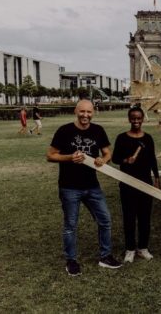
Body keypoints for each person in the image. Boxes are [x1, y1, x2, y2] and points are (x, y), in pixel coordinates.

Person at [46, 99, 121, 276]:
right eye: (82, 112)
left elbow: (107, 152)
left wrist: (104, 159)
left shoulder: (98, 130)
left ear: (93, 112)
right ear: (75, 111)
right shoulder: (64, 131)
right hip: (69, 187)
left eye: (89, 112)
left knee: (105, 220)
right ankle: (71, 260)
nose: (85, 115)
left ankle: (105, 257)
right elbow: (50, 155)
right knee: (70, 225)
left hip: (92, 186)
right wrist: (69, 157)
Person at [112, 106, 159, 263]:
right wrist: (126, 160)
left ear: (143, 119)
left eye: (139, 118)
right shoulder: (122, 138)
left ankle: (143, 248)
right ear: (129, 119)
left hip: (145, 183)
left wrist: (157, 179)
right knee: (129, 217)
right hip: (127, 183)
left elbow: (152, 159)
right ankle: (130, 249)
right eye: (133, 118)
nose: (136, 121)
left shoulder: (148, 139)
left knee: (145, 217)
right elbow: (115, 158)